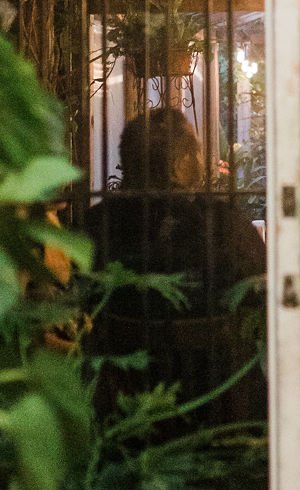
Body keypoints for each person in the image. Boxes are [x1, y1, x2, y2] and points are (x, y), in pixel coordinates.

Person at [93, 104, 266, 413]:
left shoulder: (97, 225)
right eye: (196, 152)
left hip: (123, 412)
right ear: (182, 164)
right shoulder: (223, 225)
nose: (202, 160)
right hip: (221, 404)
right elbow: (264, 293)